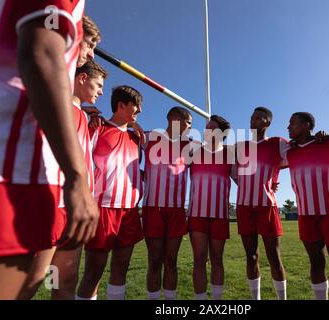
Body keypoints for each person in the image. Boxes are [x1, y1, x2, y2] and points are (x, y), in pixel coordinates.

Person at [0, 1, 98, 299]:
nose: (91, 53)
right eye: (91, 43)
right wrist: (77, 177)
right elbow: (42, 54)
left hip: (9, 165)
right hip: (0, 167)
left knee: (39, 283)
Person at [19, 60, 107, 299]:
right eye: (98, 85)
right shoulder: (55, 103)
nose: (101, 92)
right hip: (52, 203)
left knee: (65, 280)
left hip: (75, 209)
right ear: (81, 78)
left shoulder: (87, 118)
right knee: (34, 280)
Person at [76, 85, 144, 300]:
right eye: (136, 106)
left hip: (130, 210)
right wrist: (91, 111)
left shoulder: (137, 138)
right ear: (121, 105)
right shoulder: (98, 127)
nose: (140, 111)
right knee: (94, 271)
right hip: (102, 208)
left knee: (121, 267)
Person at [282, 112, 329, 300]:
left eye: (293, 123)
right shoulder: (289, 151)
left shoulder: (328, 143)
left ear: (306, 125)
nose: (288, 127)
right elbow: (264, 162)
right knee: (315, 262)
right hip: (306, 215)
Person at [234, 107, 288, 300]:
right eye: (252, 117)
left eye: (259, 118)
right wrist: (247, 183)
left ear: (268, 122)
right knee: (251, 256)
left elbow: (297, 155)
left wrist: (272, 179)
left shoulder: (277, 143)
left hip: (267, 206)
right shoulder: (241, 147)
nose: (253, 120)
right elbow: (234, 172)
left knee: (274, 256)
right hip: (244, 206)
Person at [142, 107, 192, 300]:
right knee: (154, 261)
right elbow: (123, 130)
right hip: (153, 208)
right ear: (173, 119)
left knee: (171, 261)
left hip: (176, 211)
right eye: (188, 122)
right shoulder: (149, 137)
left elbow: (218, 156)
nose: (189, 127)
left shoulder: (190, 146)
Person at [188, 115, 234, 300]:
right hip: (197, 214)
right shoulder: (194, 150)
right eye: (206, 127)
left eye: (211, 127)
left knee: (217, 259)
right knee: (199, 260)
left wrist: (271, 183)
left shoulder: (230, 154)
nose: (206, 130)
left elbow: (243, 179)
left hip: (219, 215)